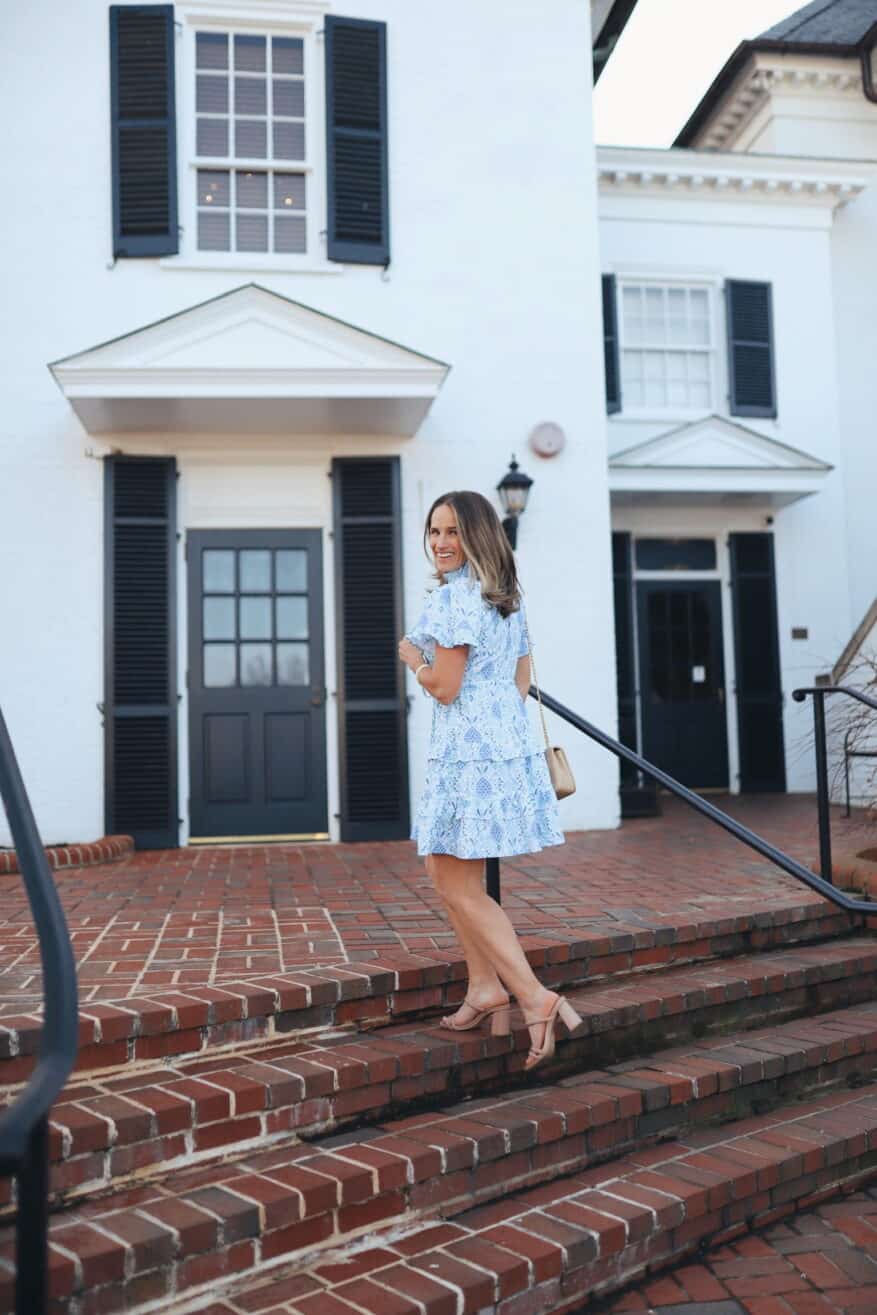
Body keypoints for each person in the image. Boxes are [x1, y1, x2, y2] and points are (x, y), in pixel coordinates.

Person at [398, 490, 582, 1071]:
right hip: (501, 749)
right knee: (448, 871)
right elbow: (521, 678)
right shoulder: (506, 598)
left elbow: (445, 686)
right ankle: (484, 987)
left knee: (455, 883)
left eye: (452, 532)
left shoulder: (455, 601)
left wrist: (412, 660)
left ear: (477, 536)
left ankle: (534, 997)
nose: (440, 542)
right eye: (434, 532)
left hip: (466, 757)